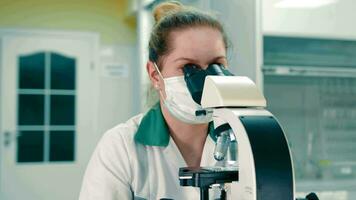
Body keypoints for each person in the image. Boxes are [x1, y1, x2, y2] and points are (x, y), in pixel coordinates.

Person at [79, 1, 231, 199]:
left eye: (216, 65)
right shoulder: (121, 147)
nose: (205, 80)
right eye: (189, 67)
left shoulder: (243, 140)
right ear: (155, 75)